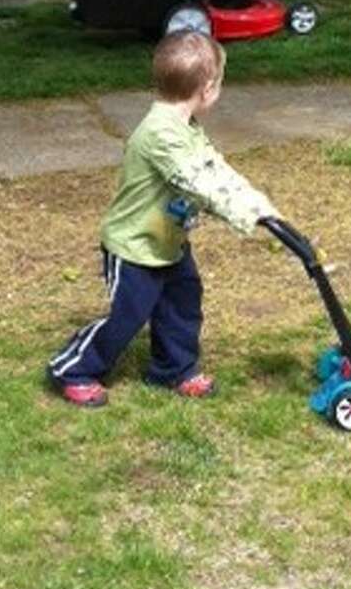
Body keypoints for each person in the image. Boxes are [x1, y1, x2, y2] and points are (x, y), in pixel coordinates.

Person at [47, 30, 278, 407]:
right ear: (207, 89)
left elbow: (214, 169)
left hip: (168, 241)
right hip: (134, 244)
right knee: (128, 315)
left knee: (182, 304)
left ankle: (173, 369)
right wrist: (243, 214)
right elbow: (198, 181)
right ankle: (73, 368)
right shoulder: (159, 134)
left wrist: (258, 204)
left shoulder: (186, 128)